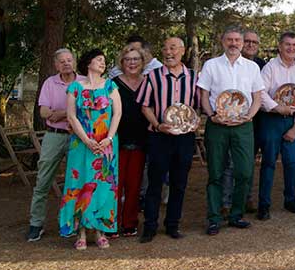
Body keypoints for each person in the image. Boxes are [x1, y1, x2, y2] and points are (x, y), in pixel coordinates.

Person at [199, 26, 264, 236]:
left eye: (237, 40)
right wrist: (211, 115)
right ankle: (214, 218)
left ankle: (236, 214)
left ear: (243, 43)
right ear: (223, 41)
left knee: (244, 172)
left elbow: (257, 97)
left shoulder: (252, 68)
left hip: (243, 126)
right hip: (217, 125)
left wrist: (250, 116)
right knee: (216, 173)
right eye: (230, 39)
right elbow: (204, 95)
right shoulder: (211, 65)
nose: (234, 43)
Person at [59, 49, 122, 250]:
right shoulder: (75, 88)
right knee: (80, 184)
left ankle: (101, 231)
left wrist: (109, 138)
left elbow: (117, 114)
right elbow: (71, 116)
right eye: (99, 60)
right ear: (88, 63)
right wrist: (86, 140)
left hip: (106, 145)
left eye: (104, 60)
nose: (103, 63)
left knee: (103, 186)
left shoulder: (111, 86)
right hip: (81, 144)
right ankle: (82, 232)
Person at [137, 37, 198, 243]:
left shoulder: (193, 77)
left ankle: (173, 224)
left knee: (179, 183)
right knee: (155, 183)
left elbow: (197, 106)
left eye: (173, 48)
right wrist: (157, 124)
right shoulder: (152, 76)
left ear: (182, 51)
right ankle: (150, 226)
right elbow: (145, 106)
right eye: (165, 48)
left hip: (184, 138)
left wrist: (196, 122)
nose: (168, 52)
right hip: (159, 137)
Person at [26, 48, 85, 242]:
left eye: (70, 60)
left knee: (78, 180)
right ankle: (36, 224)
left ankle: (75, 222)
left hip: (77, 136)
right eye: (62, 61)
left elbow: (85, 111)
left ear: (74, 62)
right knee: (43, 180)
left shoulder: (84, 82)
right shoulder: (49, 83)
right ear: (56, 65)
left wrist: (59, 112)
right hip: (54, 136)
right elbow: (43, 112)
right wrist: (68, 113)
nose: (66, 63)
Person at [255, 31, 295, 220]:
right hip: (271, 119)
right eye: (287, 44)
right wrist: (277, 108)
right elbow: (260, 94)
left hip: (291, 122)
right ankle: (264, 204)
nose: (291, 48)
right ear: (280, 46)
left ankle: (290, 199)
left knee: (291, 162)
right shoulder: (269, 67)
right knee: (269, 162)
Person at [221, 30, 267, 216]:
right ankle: (226, 201)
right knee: (229, 163)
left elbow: (262, 94)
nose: (250, 45)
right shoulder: (222, 63)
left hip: (253, 122)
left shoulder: (261, 65)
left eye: (254, 42)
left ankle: (246, 198)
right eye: (247, 41)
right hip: (228, 121)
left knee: (247, 164)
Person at [111, 44, 152, 238]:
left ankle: (130, 222)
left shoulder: (149, 82)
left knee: (135, 185)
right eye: (128, 60)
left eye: (136, 59)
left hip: (141, 140)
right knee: (115, 184)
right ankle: (111, 223)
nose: (132, 63)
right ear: (122, 63)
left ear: (142, 63)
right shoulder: (112, 84)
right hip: (117, 139)